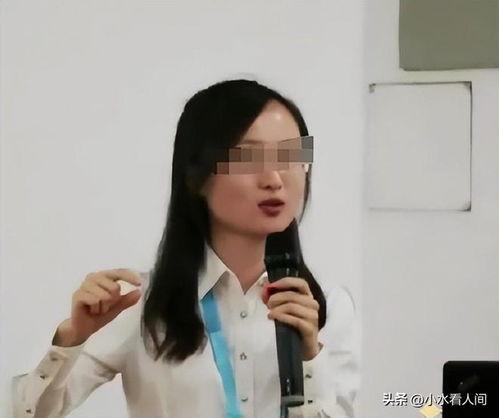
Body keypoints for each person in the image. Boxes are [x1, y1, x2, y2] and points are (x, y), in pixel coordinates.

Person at [11, 79, 360, 418]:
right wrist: (73, 337)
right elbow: (26, 413)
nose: (274, 179)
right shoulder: (140, 304)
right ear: (197, 176)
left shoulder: (328, 306)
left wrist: (310, 355)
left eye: (289, 156)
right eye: (248, 157)